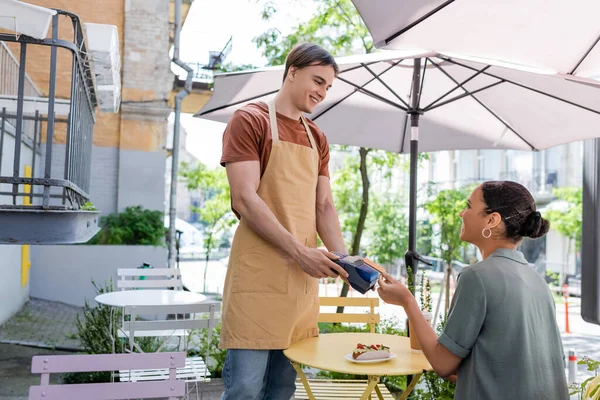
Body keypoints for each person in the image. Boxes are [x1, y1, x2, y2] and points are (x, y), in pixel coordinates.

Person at [218, 43, 349, 400]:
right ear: (292, 71)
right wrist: (300, 252)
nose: (322, 93)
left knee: (282, 389)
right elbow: (244, 198)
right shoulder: (250, 120)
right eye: (317, 81)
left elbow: (324, 206)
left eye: (328, 87)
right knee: (245, 388)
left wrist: (346, 261)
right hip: (258, 277)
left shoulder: (317, 136)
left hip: (299, 283)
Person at [378, 181, 569, 400]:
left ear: (492, 220)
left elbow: (443, 363)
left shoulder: (476, 277)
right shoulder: (538, 281)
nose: (462, 213)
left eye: (469, 206)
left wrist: (407, 302)